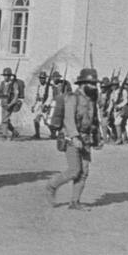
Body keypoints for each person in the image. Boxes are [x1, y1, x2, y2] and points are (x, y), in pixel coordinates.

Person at [46, 68, 102, 209]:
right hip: (71, 137)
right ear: (83, 84)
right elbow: (69, 119)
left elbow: (94, 119)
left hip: (86, 138)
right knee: (74, 170)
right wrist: (74, 137)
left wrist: (97, 136)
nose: (95, 87)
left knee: (84, 172)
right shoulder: (72, 98)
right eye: (92, 84)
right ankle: (51, 186)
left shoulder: (92, 100)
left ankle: (75, 202)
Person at [31, 70, 52, 139]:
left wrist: (45, 105)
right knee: (35, 119)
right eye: (40, 78)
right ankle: (37, 134)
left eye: (43, 78)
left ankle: (53, 133)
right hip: (39, 104)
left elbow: (50, 97)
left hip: (45, 104)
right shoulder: (39, 86)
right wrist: (33, 105)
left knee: (46, 121)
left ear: (45, 79)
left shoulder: (49, 86)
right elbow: (36, 97)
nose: (41, 79)